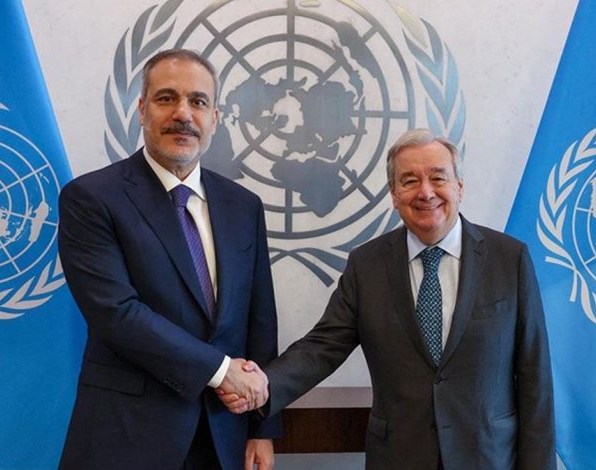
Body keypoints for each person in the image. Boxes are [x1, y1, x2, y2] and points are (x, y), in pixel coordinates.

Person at [221, 129, 555, 469]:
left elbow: (535, 376)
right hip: (399, 456)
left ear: (459, 187)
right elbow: (322, 347)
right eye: (409, 181)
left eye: (438, 178)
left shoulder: (508, 259)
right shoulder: (367, 265)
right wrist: (264, 384)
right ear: (394, 195)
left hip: (488, 457)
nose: (426, 192)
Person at [58, 49, 279, 470]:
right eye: (166, 98)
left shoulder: (243, 206)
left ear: (215, 118)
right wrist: (220, 370)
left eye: (198, 102)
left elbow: (259, 321)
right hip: (126, 437)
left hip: (224, 437)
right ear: (142, 109)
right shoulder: (91, 199)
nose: (183, 114)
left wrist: (261, 428)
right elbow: (117, 313)